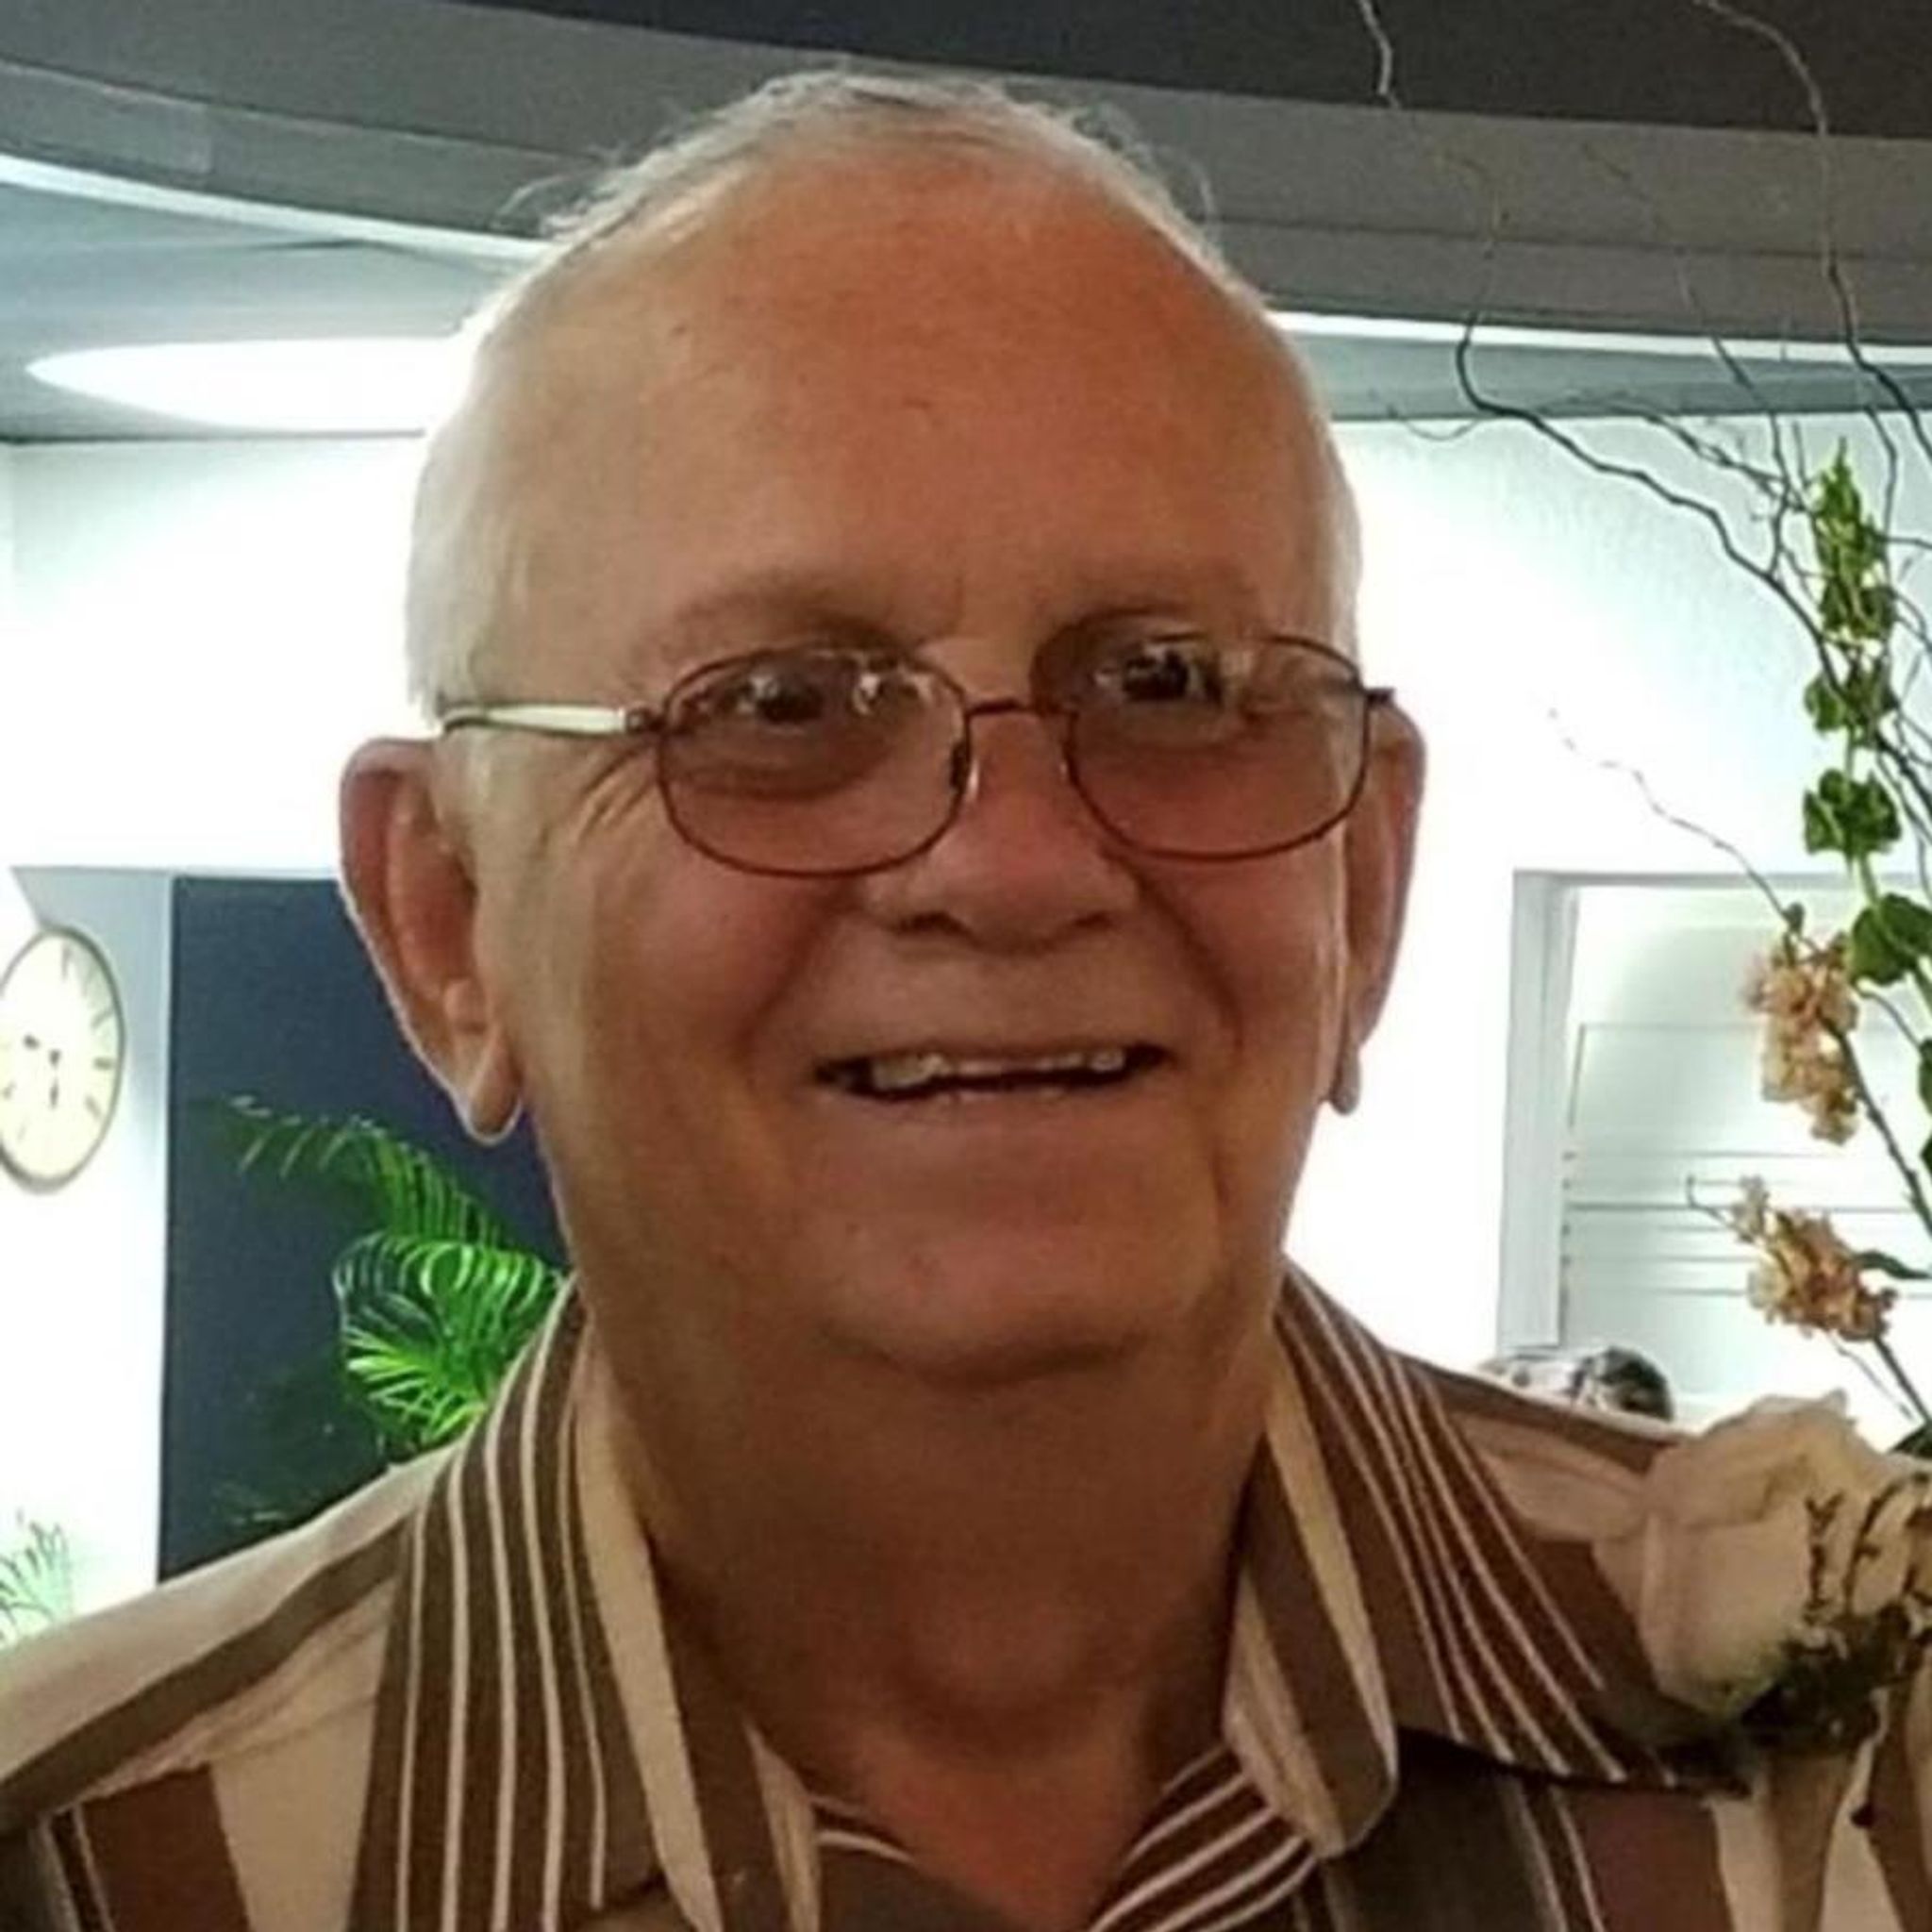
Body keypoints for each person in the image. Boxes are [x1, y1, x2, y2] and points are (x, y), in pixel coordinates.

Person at [1, 68, 1926, 1932]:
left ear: (1364, 876)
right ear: (448, 918)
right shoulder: (85, 1869)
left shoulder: (1869, 1779)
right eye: (778, 709)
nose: (1012, 865)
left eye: (1167, 683)